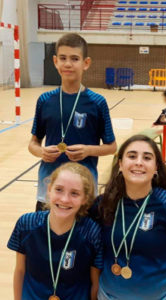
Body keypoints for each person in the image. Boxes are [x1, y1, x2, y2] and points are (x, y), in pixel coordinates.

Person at [90, 134, 166, 300]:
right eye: (132, 156)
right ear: (120, 164)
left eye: (147, 158)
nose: (139, 162)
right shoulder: (103, 204)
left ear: (156, 167)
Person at [28, 33, 117, 211]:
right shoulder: (45, 100)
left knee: (83, 238)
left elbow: (112, 147)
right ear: (55, 61)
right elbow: (33, 143)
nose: (68, 64)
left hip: (83, 190)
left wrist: (88, 150)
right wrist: (42, 152)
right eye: (63, 58)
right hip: (49, 188)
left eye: (74, 58)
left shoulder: (97, 102)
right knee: (48, 237)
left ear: (86, 63)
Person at [7, 162, 103, 300]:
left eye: (74, 193)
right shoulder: (26, 224)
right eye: (59, 189)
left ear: (85, 199)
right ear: (49, 189)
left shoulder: (91, 232)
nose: (64, 199)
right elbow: (20, 271)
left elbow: (95, 283)